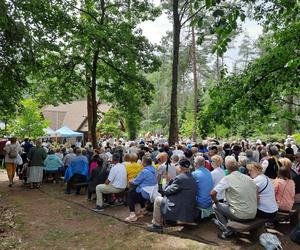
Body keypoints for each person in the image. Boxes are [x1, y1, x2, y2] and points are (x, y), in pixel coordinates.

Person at [211, 156, 257, 240]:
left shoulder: (227, 178)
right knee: (228, 203)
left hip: (240, 214)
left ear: (227, 168)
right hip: (253, 212)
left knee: (215, 206)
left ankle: (227, 231)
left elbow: (212, 193)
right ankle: (228, 226)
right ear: (238, 167)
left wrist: (216, 201)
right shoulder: (248, 178)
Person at [147, 158, 197, 233]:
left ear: (180, 168)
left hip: (180, 208)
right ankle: (163, 221)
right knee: (163, 199)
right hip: (188, 206)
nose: (175, 167)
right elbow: (179, 187)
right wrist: (171, 181)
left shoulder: (180, 178)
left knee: (157, 199)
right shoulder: (191, 176)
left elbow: (166, 191)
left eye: (177, 166)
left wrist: (167, 182)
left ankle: (156, 225)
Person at [125, 156, 157, 222]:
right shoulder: (153, 169)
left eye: (142, 161)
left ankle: (132, 215)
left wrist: (130, 180)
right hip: (152, 191)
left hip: (145, 192)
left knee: (130, 194)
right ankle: (143, 209)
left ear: (144, 163)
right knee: (137, 191)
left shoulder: (144, 171)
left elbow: (135, 182)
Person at [192, 156, 214, 221]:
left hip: (201, 203)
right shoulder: (208, 171)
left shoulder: (194, 174)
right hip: (209, 201)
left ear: (195, 164)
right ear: (204, 163)